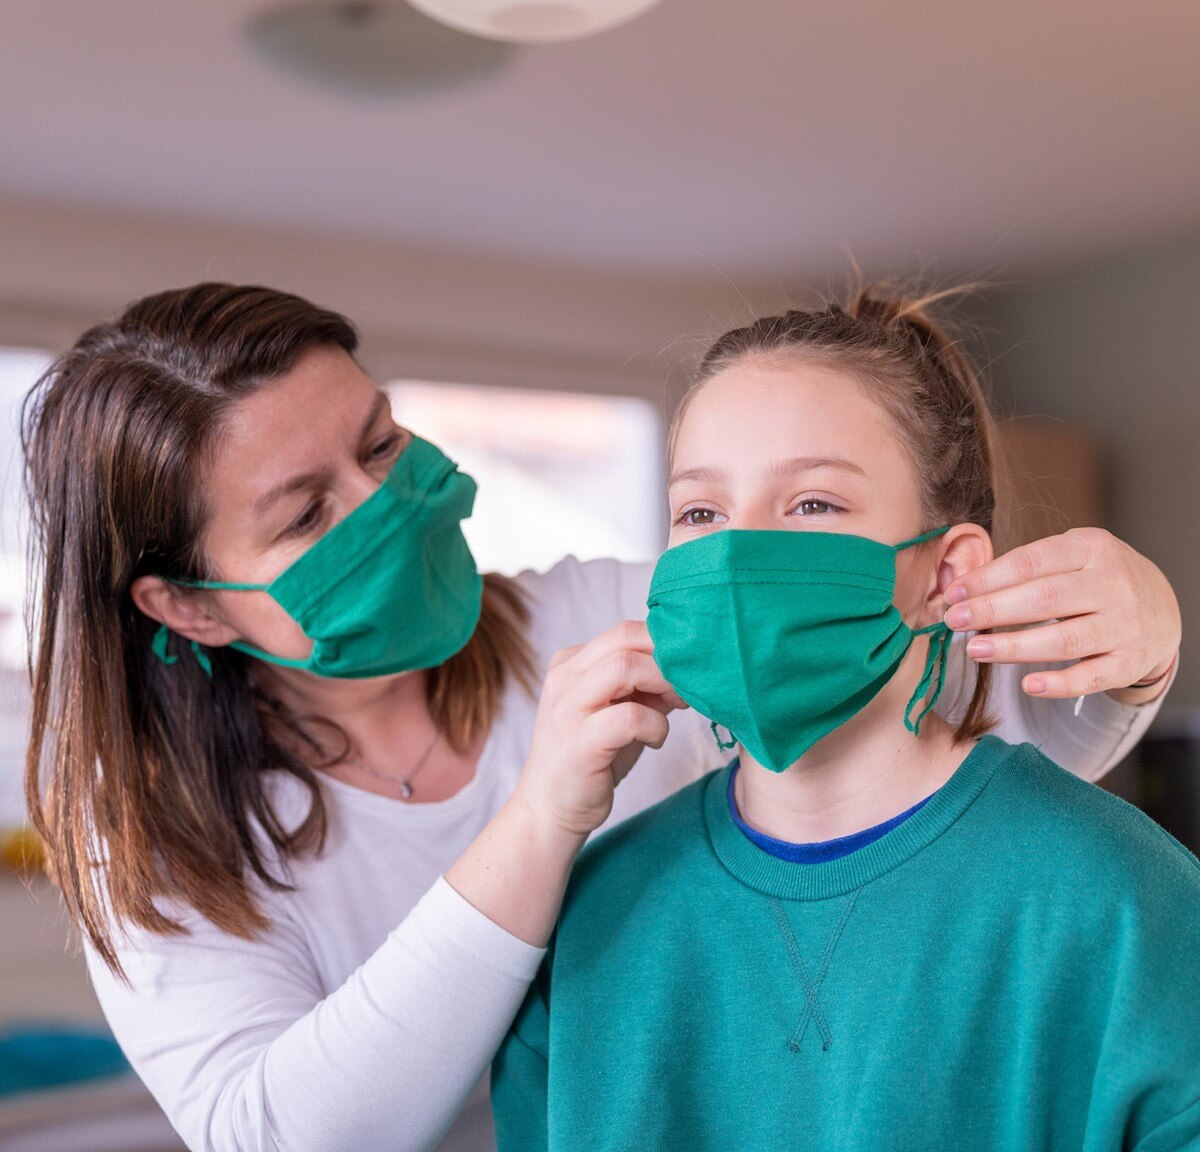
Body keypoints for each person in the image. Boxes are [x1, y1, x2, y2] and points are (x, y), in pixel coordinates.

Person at [22, 283, 1180, 1152]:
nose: (385, 504)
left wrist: (1136, 645)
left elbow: (962, 728)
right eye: (306, 515)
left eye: (380, 444)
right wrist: (541, 818)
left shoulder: (615, 613)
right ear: (187, 605)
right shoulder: (153, 843)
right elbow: (281, 1135)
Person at [490, 289, 1198, 1152]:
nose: (736, 556)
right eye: (701, 514)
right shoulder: (591, 919)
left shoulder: (1124, 900)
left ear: (946, 576)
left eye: (812, 504)